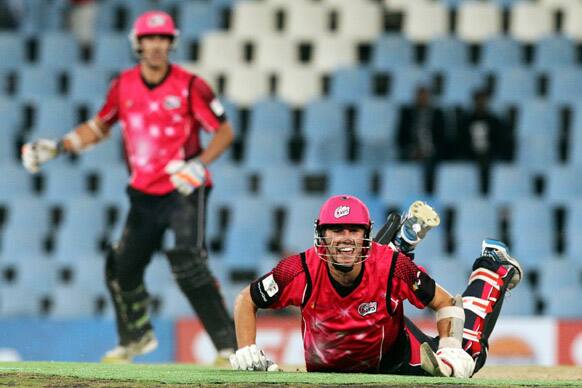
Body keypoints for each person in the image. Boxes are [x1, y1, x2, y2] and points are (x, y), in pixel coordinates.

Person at [21, 10, 237, 364]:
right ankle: (136, 337)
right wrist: (58, 147)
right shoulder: (123, 85)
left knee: (188, 261)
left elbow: (224, 132)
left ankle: (229, 347)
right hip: (144, 193)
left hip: (184, 188)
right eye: (150, 39)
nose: (156, 46)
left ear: (172, 43)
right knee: (121, 266)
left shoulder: (190, 85)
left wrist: (199, 164)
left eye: (163, 39)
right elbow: (101, 126)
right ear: (138, 43)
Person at [229, 195, 522, 377]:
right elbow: (247, 299)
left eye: (354, 230)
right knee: (376, 266)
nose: (345, 237)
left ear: (366, 234)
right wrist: (246, 348)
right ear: (321, 234)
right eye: (336, 230)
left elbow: (446, 303)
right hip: (336, 367)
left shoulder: (393, 267)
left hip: (397, 361)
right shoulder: (298, 270)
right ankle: (401, 244)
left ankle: (492, 267)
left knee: (466, 355)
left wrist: (448, 348)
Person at [456, 89, 513, 194]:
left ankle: (485, 193)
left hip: (489, 156)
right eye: (478, 100)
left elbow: (499, 142)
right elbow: (462, 142)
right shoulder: (466, 121)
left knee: (486, 164)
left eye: (483, 100)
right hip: (471, 155)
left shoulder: (494, 121)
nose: (481, 103)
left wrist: (490, 154)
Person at [396, 85, 447, 194]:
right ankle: (405, 193)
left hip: (432, 153)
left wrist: (429, 151)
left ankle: (428, 195)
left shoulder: (438, 114)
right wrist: (413, 151)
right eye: (420, 96)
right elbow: (400, 138)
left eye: (425, 96)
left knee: (431, 166)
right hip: (411, 153)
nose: (422, 99)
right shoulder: (407, 114)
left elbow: (442, 138)